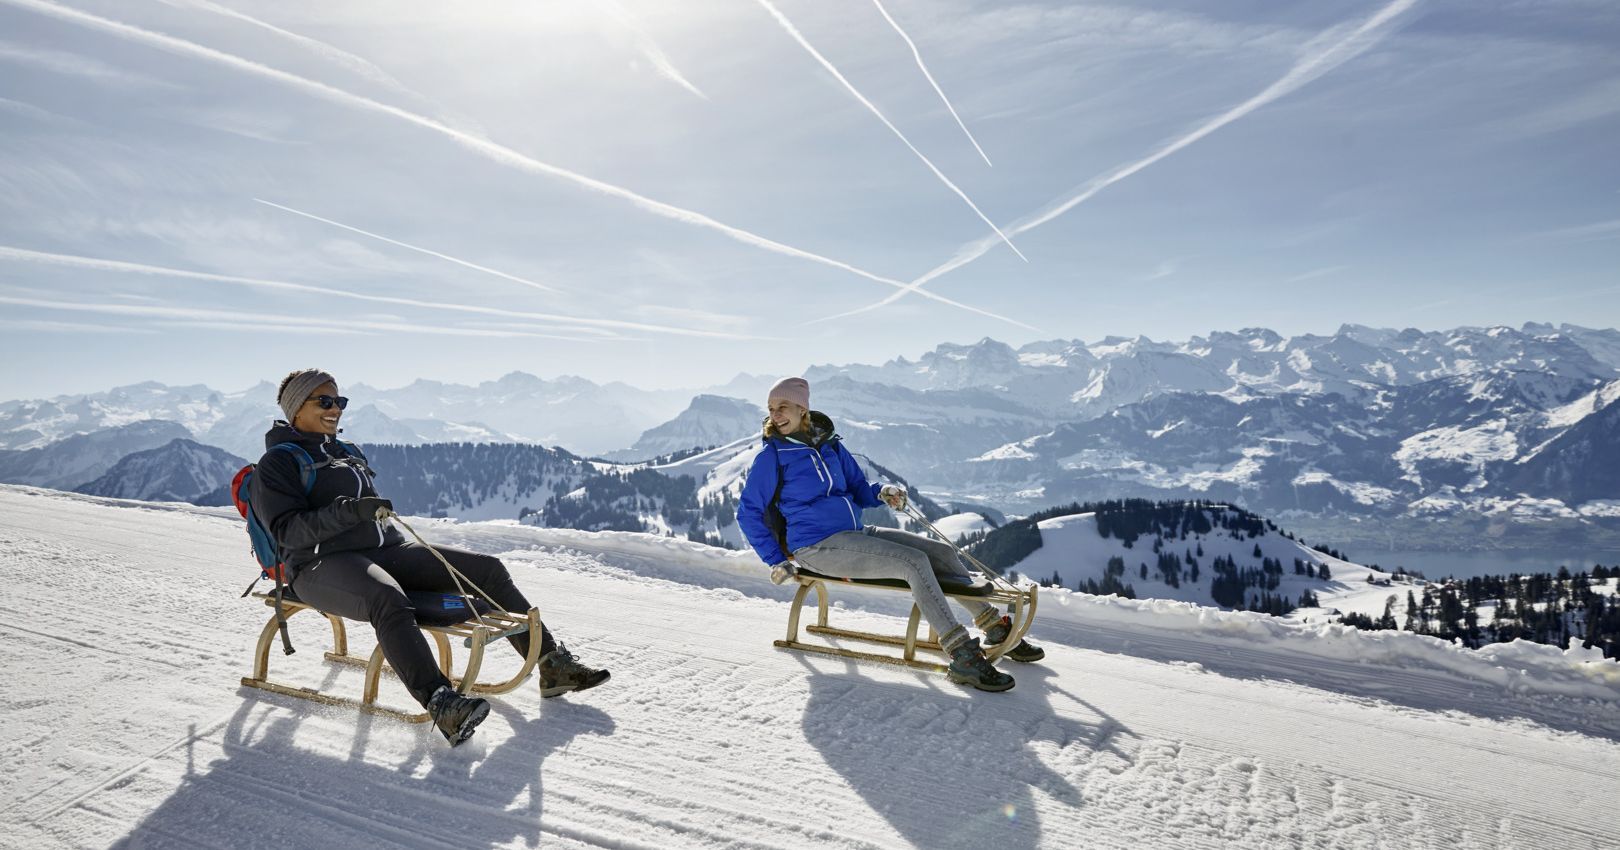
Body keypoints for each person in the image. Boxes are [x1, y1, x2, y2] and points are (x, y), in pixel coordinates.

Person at [251, 368, 609, 745]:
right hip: (318, 566)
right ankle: (441, 703)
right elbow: (286, 531)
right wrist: (348, 511)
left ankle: (551, 665)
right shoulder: (279, 462)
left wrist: (365, 514)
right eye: (324, 401)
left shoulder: (344, 452)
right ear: (296, 409)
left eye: (339, 401)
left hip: (384, 551)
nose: (335, 409)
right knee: (386, 598)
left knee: (486, 571)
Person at [736, 377, 1043, 692]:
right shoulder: (773, 457)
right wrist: (776, 560)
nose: (775, 415)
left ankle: (994, 628)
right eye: (772, 409)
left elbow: (857, 489)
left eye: (782, 407)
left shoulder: (829, 444)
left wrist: (882, 491)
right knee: (912, 562)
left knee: (941, 553)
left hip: (854, 532)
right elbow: (747, 512)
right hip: (817, 546)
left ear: (803, 408)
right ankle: (962, 654)